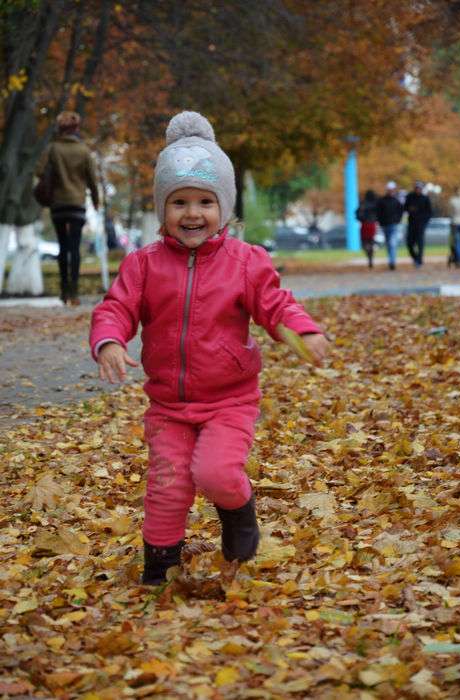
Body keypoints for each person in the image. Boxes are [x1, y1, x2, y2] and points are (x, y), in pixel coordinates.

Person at [89, 111, 330, 585]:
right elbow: (116, 307)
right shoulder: (143, 264)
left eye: (205, 201)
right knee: (168, 483)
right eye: (179, 202)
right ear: (163, 209)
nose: (193, 213)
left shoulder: (245, 262)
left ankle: (239, 515)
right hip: (169, 403)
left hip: (229, 399)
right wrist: (109, 341)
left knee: (216, 472)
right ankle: (160, 566)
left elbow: (274, 304)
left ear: (225, 208)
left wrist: (301, 330)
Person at [38, 111, 99, 305]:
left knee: (63, 247)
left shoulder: (53, 148)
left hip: (58, 204)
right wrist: (96, 201)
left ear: (60, 129)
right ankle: (74, 292)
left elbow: (39, 170)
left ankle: (64, 291)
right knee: (75, 247)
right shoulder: (84, 151)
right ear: (76, 129)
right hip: (77, 205)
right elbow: (92, 180)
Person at [403, 181, 432, 267]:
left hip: (421, 224)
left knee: (420, 243)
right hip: (411, 223)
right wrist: (409, 209)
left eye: (419, 188)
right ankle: (415, 258)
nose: (418, 190)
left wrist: (425, 222)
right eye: (416, 188)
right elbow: (405, 208)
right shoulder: (410, 197)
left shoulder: (425, 198)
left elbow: (429, 212)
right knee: (409, 243)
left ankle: (419, 260)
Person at [376, 181, 403, 270]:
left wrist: (398, 220)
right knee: (388, 244)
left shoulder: (396, 201)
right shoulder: (382, 201)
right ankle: (391, 259)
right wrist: (380, 221)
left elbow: (400, 212)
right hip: (384, 225)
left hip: (393, 225)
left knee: (392, 243)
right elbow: (378, 212)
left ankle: (392, 262)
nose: (390, 191)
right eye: (389, 190)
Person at [356, 190, 378, 268]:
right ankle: (371, 253)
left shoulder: (363, 204)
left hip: (364, 224)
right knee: (371, 240)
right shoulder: (375, 204)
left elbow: (357, 214)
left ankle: (368, 251)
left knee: (364, 241)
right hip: (372, 224)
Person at [448, 187, 460, 268]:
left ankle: (458, 259)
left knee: (456, 242)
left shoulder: (452, 201)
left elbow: (450, 212)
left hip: (455, 222)